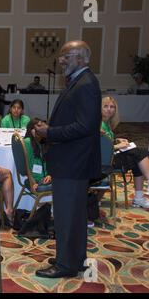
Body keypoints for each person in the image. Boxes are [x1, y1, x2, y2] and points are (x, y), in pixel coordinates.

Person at [34, 41, 102, 279]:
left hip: (73, 162)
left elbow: (85, 126)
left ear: (81, 58)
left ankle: (65, 266)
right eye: (61, 56)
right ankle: (74, 258)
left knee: (66, 216)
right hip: (72, 161)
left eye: (66, 56)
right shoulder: (80, 81)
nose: (61, 60)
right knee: (73, 215)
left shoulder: (86, 84)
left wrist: (49, 133)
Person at [101, 96, 149, 207]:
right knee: (140, 153)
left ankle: (139, 197)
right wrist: (118, 146)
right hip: (104, 161)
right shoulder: (97, 123)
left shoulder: (107, 123)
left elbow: (105, 140)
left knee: (138, 158)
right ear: (99, 108)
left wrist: (116, 140)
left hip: (111, 156)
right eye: (105, 106)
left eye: (112, 107)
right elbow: (99, 147)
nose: (109, 109)